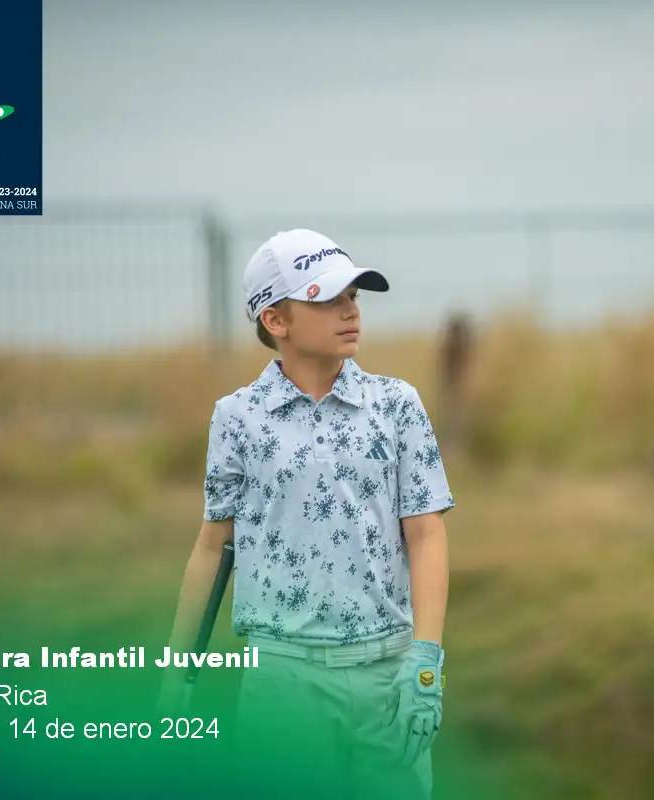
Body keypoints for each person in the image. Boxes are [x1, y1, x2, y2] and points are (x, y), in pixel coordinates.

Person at [158, 229, 454, 799]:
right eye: (328, 299)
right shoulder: (239, 418)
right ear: (276, 319)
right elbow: (214, 546)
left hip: (388, 676)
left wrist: (425, 661)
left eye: (354, 297)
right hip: (282, 681)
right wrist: (178, 675)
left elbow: (426, 535)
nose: (351, 311)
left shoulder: (396, 405)